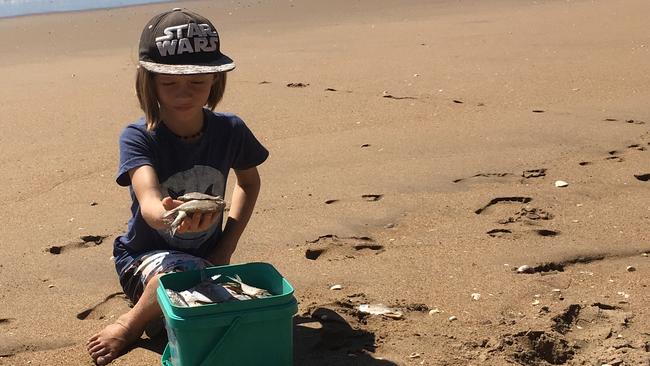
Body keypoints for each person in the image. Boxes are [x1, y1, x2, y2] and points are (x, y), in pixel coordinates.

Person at [86, 8, 268, 365]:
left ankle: (165, 311)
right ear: (149, 82)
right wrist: (171, 217)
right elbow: (149, 200)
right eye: (169, 83)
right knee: (181, 275)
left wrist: (226, 245)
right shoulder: (139, 136)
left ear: (215, 79)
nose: (183, 92)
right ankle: (130, 323)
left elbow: (249, 182)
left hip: (208, 258)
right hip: (142, 259)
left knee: (238, 296)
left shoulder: (231, 129)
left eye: (197, 82)